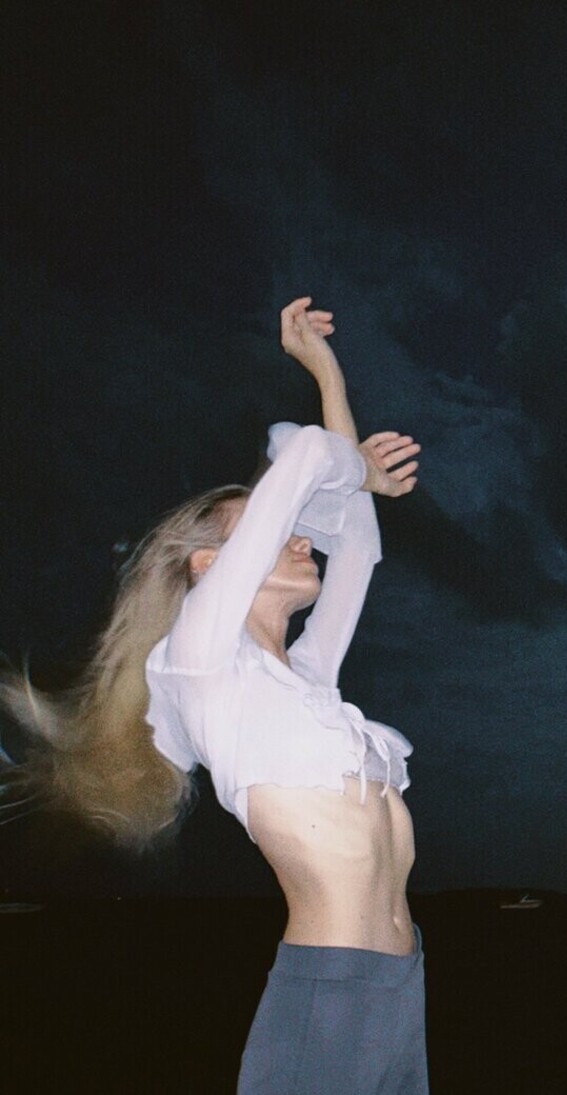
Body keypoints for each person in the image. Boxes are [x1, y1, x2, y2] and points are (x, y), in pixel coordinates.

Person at [1, 298, 427, 1093]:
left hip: (400, 987)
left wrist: (337, 413)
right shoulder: (196, 662)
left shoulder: (307, 681)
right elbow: (311, 462)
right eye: (272, 529)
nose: (301, 538)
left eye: (296, 531)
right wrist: (342, 426)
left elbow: (358, 547)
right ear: (206, 565)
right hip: (328, 994)